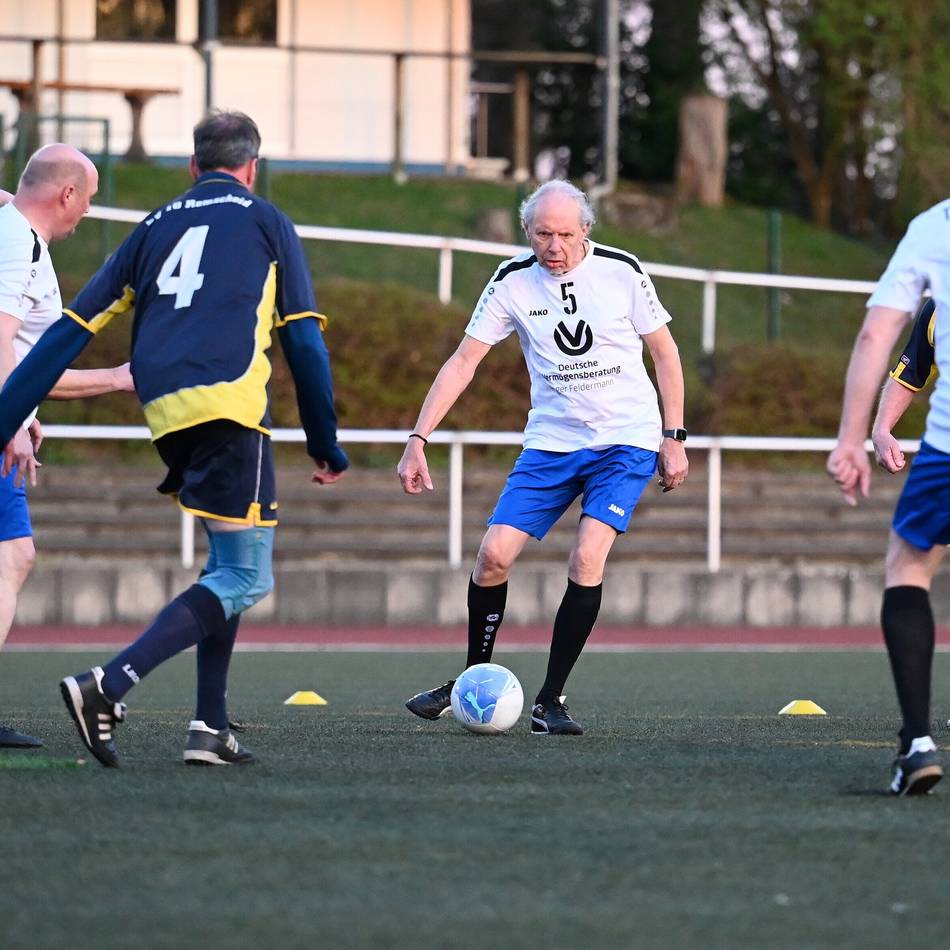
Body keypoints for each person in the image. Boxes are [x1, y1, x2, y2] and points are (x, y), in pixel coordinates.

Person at [0, 111, 349, 768]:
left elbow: (64, 335)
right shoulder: (266, 220)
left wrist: (2, 420)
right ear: (252, 168)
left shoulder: (153, 226)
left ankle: (208, 728)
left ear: (193, 167)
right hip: (231, 408)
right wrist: (325, 441)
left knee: (227, 561)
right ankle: (108, 685)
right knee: (248, 575)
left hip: (165, 413)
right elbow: (302, 336)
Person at [398, 179, 688, 735]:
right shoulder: (511, 280)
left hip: (625, 439)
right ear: (526, 231)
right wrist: (418, 437)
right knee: (493, 555)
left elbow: (665, 353)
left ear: (586, 233)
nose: (554, 247)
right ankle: (473, 679)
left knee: (585, 559)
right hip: (551, 443)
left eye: (565, 235)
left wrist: (673, 435)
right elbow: (464, 362)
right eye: (542, 235)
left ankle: (550, 701)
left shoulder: (622, 271)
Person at [0, 150, 134, 750]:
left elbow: (37, 366)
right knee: (12, 556)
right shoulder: (16, 241)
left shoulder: (20, 239)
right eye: (90, 195)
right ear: (67, 196)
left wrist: (119, 378)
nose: (90, 208)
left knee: (15, 555)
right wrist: (11, 417)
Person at [828, 195, 950, 794]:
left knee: (907, 566)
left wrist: (850, 439)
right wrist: (877, 427)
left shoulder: (935, 226)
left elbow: (879, 331)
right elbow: (915, 353)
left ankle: (918, 742)